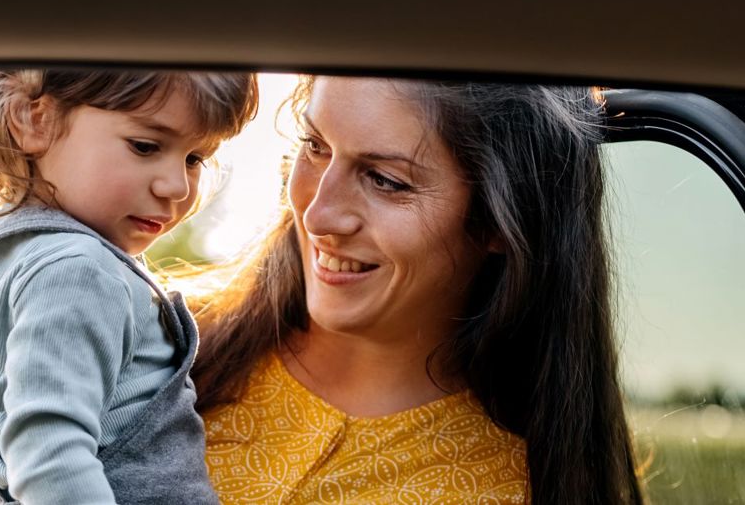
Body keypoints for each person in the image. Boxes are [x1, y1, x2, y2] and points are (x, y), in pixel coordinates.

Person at [192, 76, 642, 504]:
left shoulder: (512, 487)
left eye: (385, 180)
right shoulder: (159, 340)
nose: (317, 216)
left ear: (497, 220)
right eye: (315, 146)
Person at [0, 69, 259, 504]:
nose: (176, 186)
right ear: (34, 122)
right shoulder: (84, 270)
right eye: (145, 146)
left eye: (195, 159)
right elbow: (49, 450)